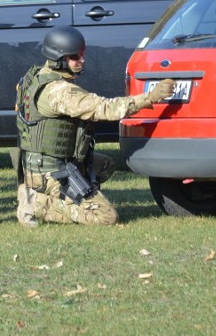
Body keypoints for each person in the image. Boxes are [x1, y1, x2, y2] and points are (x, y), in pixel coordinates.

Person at [14, 26, 175, 226]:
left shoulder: (34, 77)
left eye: (82, 54)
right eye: (75, 57)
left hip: (40, 165)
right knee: (106, 217)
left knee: (104, 165)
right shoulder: (59, 91)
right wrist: (150, 97)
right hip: (52, 172)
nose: (81, 60)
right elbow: (105, 108)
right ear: (59, 59)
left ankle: (59, 196)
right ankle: (35, 203)